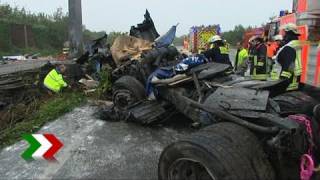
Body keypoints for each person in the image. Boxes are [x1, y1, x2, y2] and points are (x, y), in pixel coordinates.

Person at [267, 23, 302, 96]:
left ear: (288, 33)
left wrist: (281, 82)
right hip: (290, 82)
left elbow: (289, 66)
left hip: (284, 85)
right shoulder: (294, 45)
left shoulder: (289, 47)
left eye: (284, 32)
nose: (282, 34)